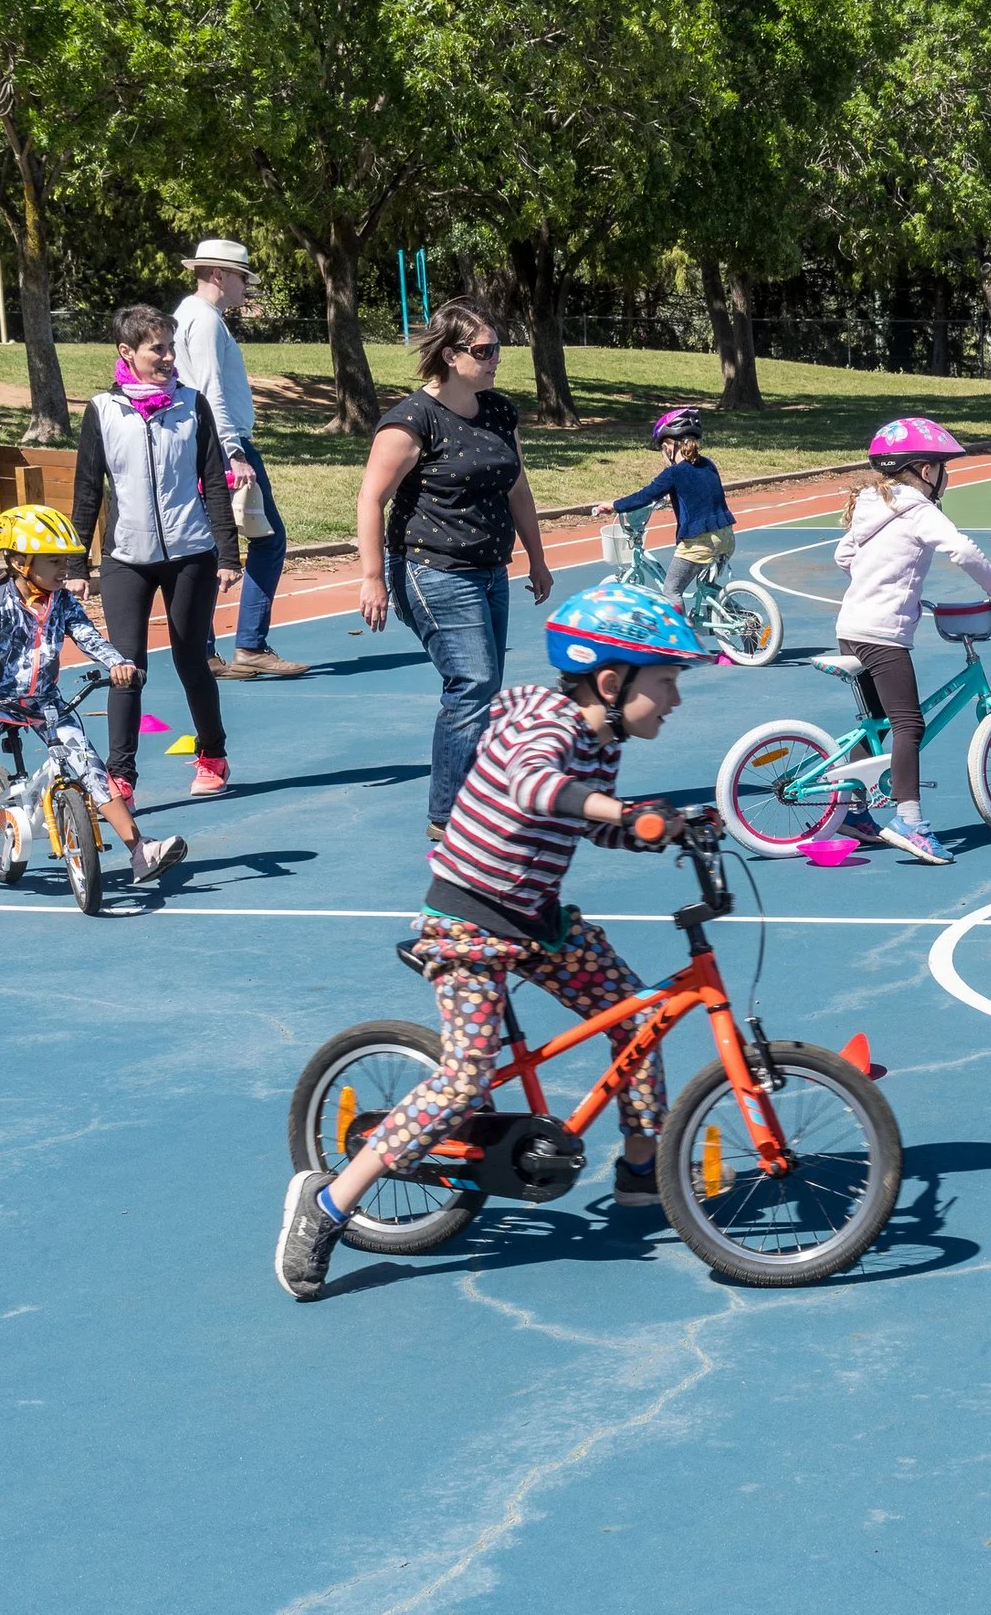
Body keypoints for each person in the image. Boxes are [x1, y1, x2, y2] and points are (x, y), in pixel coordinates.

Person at [273, 583, 716, 1302]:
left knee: (637, 1015)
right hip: (469, 924)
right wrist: (619, 812)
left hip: (536, 920)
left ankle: (643, 1169)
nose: (675, 698)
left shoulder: (604, 740)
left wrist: (666, 824)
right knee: (466, 1079)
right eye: (665, 682)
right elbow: (536, 786)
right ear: (611, 681)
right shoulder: (543, 723)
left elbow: (589, 819)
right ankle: (326, 1206)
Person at [357, 299, 555, 841]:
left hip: (490, 568)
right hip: (432, 568)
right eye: (483, 351)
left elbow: (517, 486)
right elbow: (371, 498)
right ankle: (448, 816)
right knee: (472, 682)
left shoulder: (498, 411)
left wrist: (536, 557)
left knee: (483, 688)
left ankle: (472, 795)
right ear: (450, 355)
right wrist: (373, 577)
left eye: (497, 350)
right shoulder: (411, 419)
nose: (494, 360)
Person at [67, 304, 241, 802]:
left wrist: (228, 554)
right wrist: (78, 563)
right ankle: (121, 777)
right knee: (125, 665)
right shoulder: (103, 410)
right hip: (126, 559)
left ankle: (212, 754)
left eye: (170, 347)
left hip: (191, 555)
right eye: (156, 348)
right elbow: (87, 492)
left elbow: (212, 481)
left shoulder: (192, 404)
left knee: (191, 659)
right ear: (127, 352)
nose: (167, 357)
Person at [831, 417, 991, 866]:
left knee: (871, 723)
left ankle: (855, 814)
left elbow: (843, 555)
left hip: (850, 627)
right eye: (943, 468)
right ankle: (909, 821)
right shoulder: (919, 511)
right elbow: (964, 551)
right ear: (927, 470)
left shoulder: (873, 501)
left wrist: (880, 579)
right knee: (909, 725)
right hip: (883, 634)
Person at [0, 506, 188, 884]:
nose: (65, 568)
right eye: (54, 560)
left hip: (45, 702)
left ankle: (140, 850)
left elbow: (88, 635)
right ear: (20, 562)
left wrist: (118, 663)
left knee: (90, 767)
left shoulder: (62, 602)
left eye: (68, 560)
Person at [172, 238, 307, 680]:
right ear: (219, 276)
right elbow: (211, 389)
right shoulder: (205, 320)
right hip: (222, 443)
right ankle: (249, 644)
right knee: (268, 539)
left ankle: (209, 651)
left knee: (209, 543)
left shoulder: (188, 315)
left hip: (200, 441)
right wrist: (232, 449)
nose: (246, 286)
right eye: (242, 277)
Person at [590, 407, 734, 606]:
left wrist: (614, 505)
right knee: (706, 590)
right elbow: (699, 490)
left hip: (699, 543)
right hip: (726, 536)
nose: (662, 456)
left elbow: (645, 495)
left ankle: (681, 636)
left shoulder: (673, 473)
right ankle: (738, 617)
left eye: (661, 451)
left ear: (668, 447)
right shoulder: (707, 464)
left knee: (671, 590)